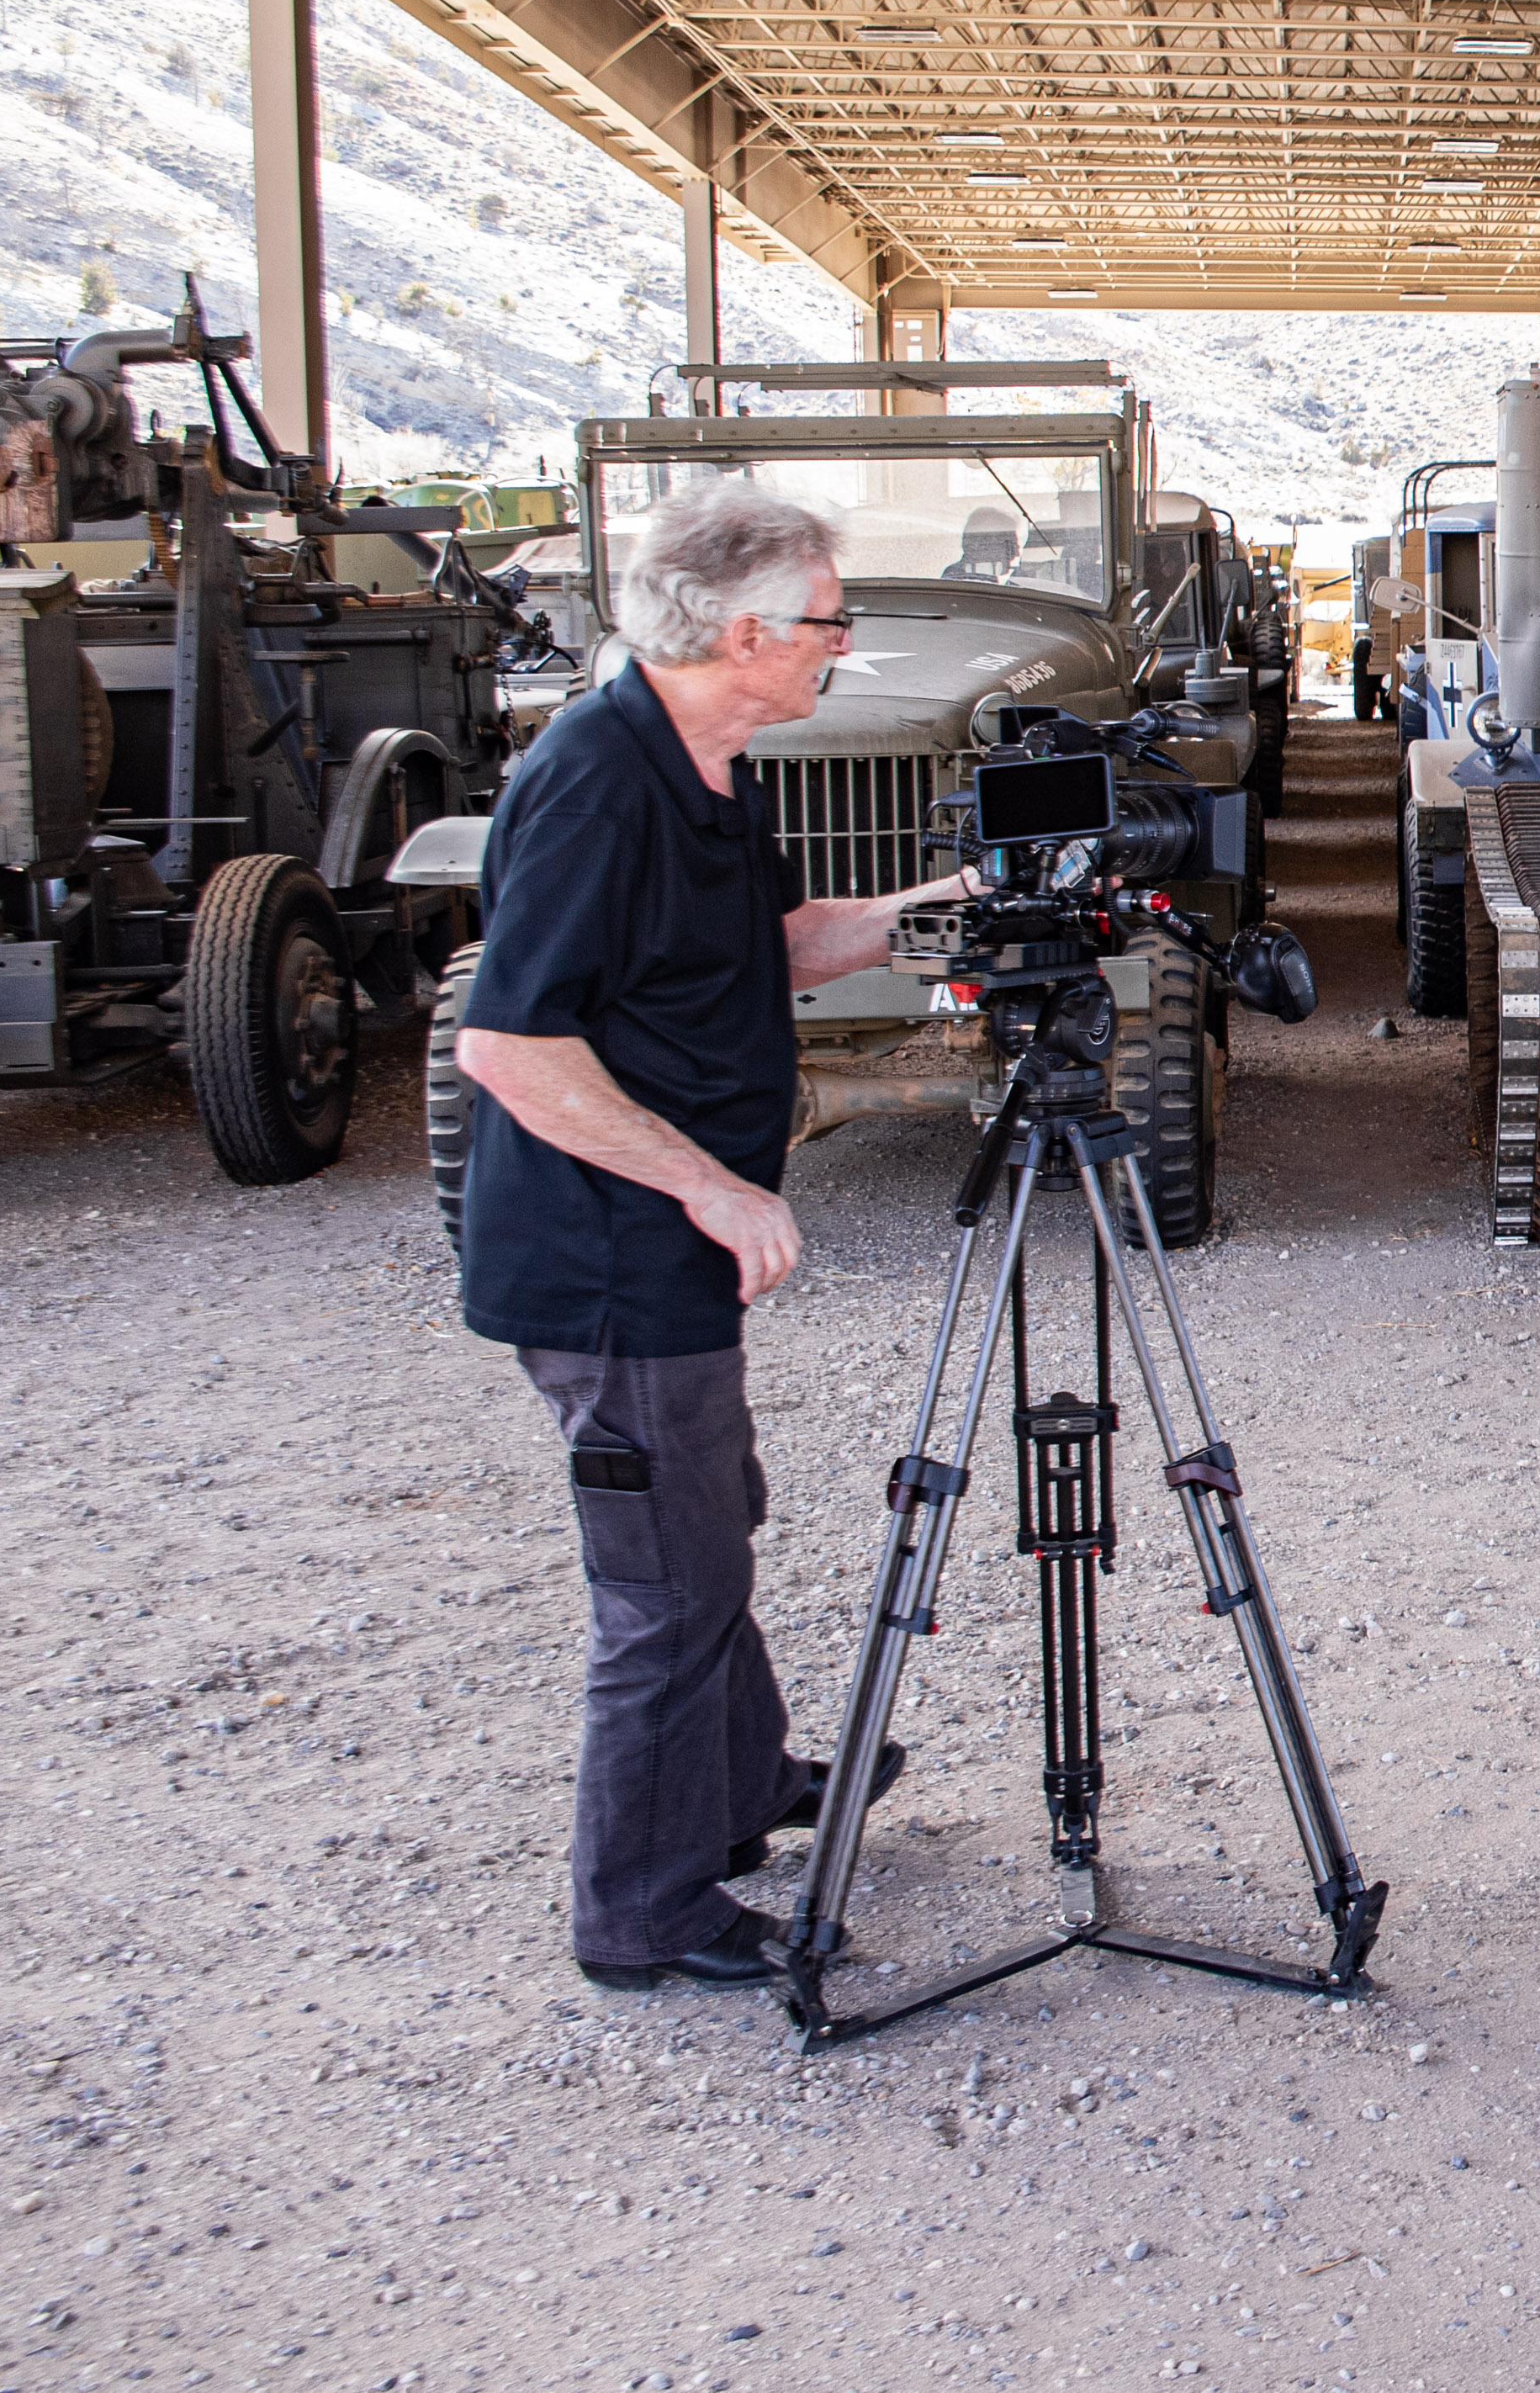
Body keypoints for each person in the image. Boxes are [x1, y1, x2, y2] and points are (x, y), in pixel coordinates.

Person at [452, 481, 975, 1989]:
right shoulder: (596, 781)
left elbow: (765, 945)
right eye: (828, 619)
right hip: (604, 1258)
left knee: (707, 1516)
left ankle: (742, 1788)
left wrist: (930, 910)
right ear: (745, 632)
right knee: (662, 1588)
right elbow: (511, 1044)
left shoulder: (706, 761)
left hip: (662, 1248)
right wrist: (712, 1184)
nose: (841, 643)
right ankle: (644, 1908)